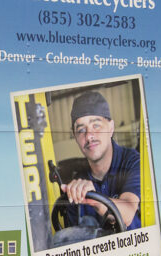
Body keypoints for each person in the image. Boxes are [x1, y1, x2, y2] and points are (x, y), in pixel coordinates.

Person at [60, 89, 142, 231]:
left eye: (96, 125)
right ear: (75, 136)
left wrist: (95, 199)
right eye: (81, 130)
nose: (89, 135)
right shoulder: (77, 185)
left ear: (111, 127)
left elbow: (128, 212)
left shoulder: (133, 162)